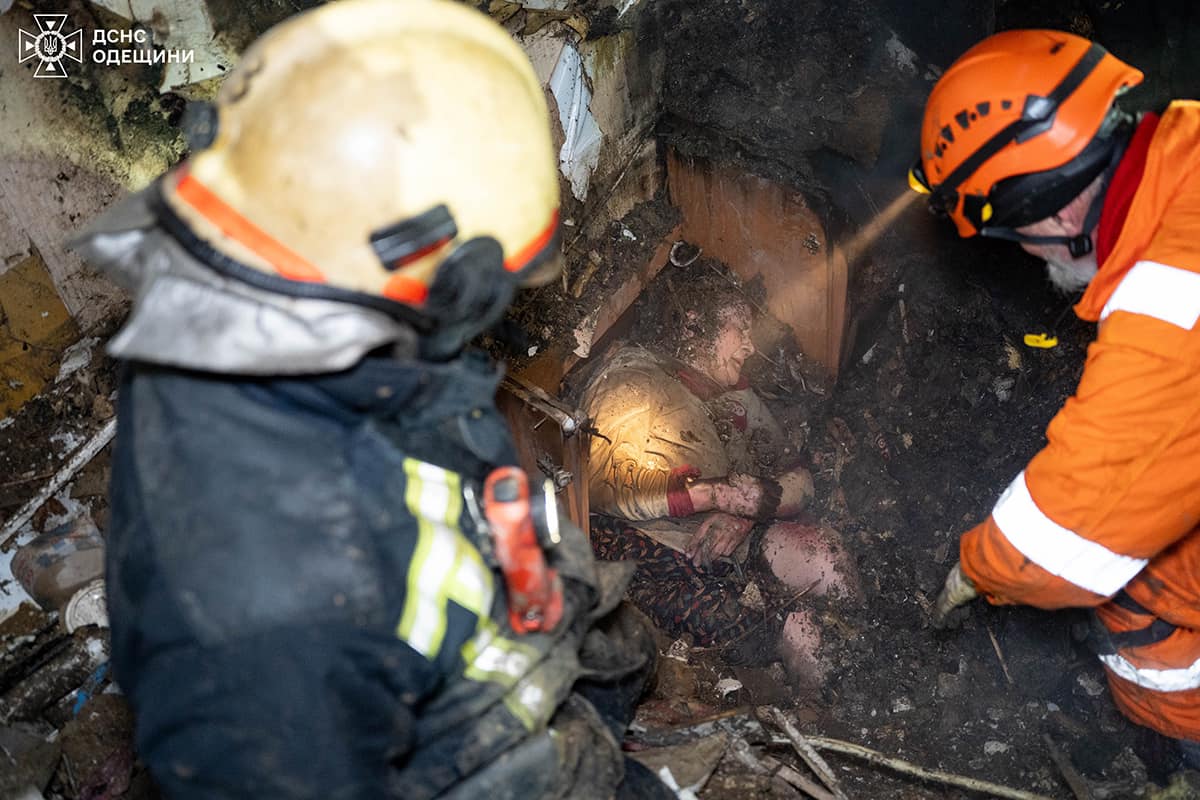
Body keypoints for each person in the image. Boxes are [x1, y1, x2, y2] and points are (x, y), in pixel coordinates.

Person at [70, 2, 668, 797]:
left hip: (439, 590)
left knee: (625, 649)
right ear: (426, 270)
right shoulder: (264, 634)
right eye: (481, 296)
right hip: (428, 746)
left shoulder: (256, 321)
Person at [912, 29, 1200, 767]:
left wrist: (975, 569)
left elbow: (1057, 548)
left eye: (1015, 235)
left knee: (1142, 592)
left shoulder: (1170, 306)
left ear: (1055, 210)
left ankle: (1180, 758)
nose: (1026, 254)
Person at [579, 271, 859, 683]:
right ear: (694, 324)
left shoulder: (736, 395)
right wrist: (714, 496)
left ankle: (877, 643)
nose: (749, 345)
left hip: (738, 541)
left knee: (826, 555)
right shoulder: (633, 384)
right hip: (661, 557)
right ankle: (831, 711)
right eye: (740, 330)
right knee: (801, 632)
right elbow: (602, 486)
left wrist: (748, 511)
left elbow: (797, 474)